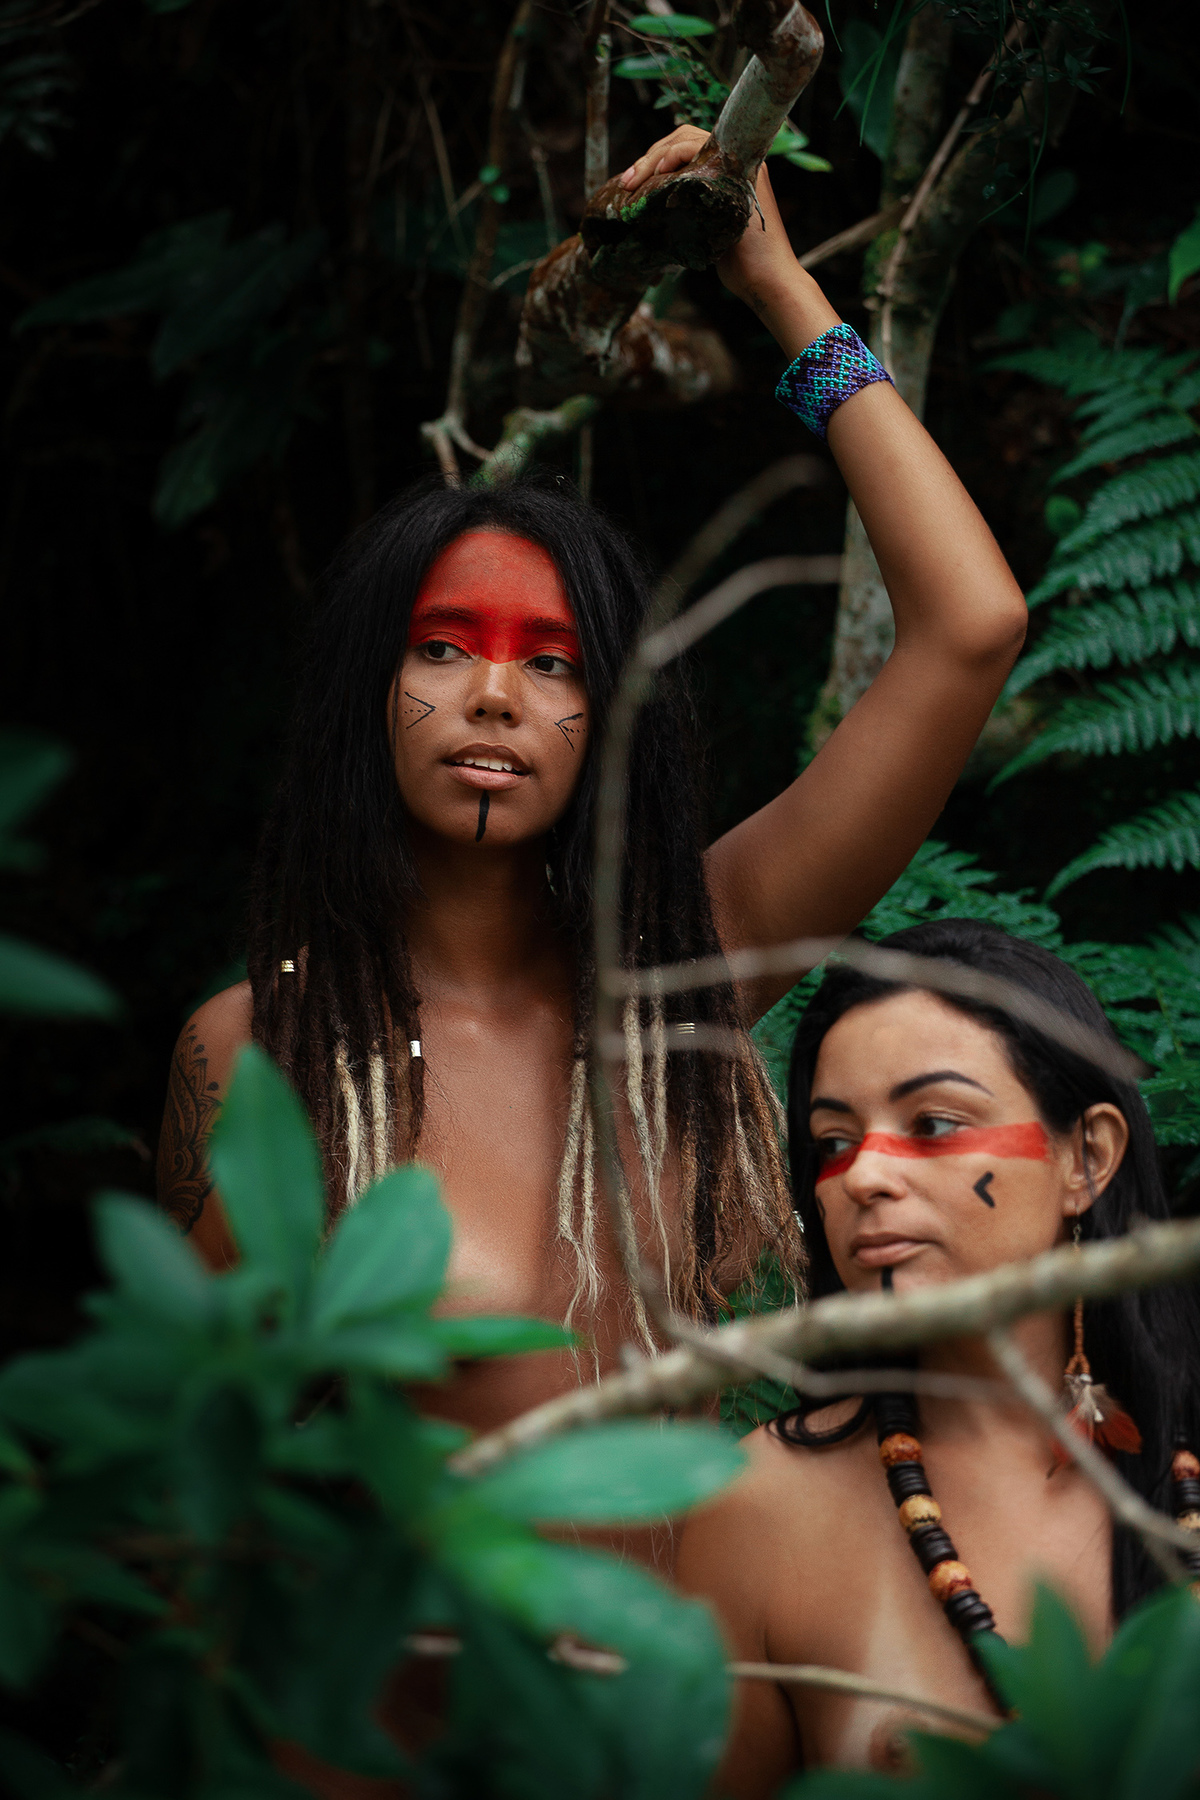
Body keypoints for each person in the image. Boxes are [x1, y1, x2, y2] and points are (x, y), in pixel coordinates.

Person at [156, 129, 1027, 1442]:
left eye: (550, 662)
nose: (494, 694)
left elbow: (970, 625)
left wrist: (776, 283)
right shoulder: (262, 1053)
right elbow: (193, 1490)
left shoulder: (688, 972)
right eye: (441, 648)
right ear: (362, 701)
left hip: (710, 1649)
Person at [675, 918, 1200, 1789]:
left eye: (934, 1123)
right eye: (834, 1142)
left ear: (1088, 1159)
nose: (866, 1176)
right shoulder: (760, 1506)